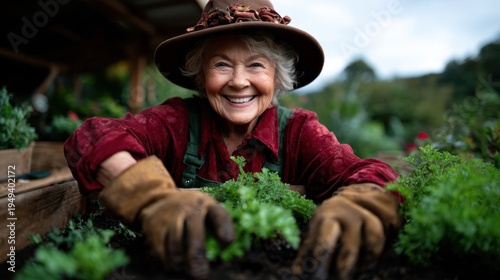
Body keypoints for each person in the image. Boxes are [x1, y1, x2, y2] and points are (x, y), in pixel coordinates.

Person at [64, 0, 402, 279]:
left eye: (256, 65)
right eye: (221, 64)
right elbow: (93, 137)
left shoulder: (299, 131)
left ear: (276, 76)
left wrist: (362, 201)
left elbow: (369, 172)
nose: (238, 82)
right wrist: (151, 200)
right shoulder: (177, 121)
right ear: (200, 75)